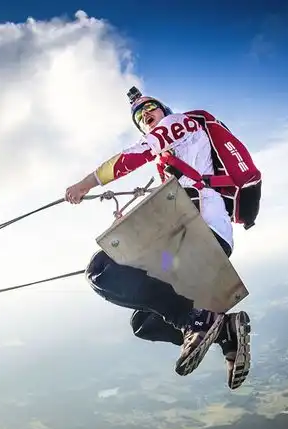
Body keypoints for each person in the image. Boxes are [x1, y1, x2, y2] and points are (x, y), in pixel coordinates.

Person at [63, 89, 252, 389]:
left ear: (164, 110)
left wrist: (85, 184)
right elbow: (169, 207)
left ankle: (196, 320)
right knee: (144, 324)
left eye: (149, 110)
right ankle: (224, 331)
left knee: (101, 270)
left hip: (199, 235)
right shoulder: (174, 163)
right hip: (190, 248)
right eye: (139, 117)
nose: (145, 117)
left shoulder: (181, 124)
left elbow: (133, 156)